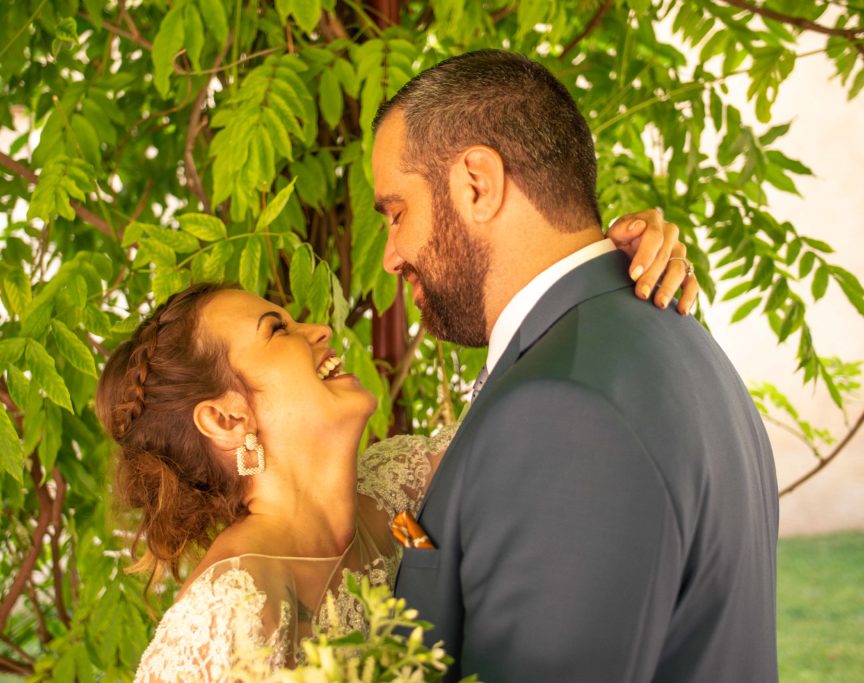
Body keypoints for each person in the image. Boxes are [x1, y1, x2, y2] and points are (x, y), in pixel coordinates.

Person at [95, 224, 695, 681]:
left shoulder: (400, 492)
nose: (318, 330)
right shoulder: (227, 615)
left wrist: (611, 271)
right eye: (277, 330)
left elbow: (536, 422)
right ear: (226, 419)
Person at [371, 50, 778, 682]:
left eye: (397, 214)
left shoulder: (562, 411)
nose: (391, 256)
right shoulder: (669, 338)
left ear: (477, 183)